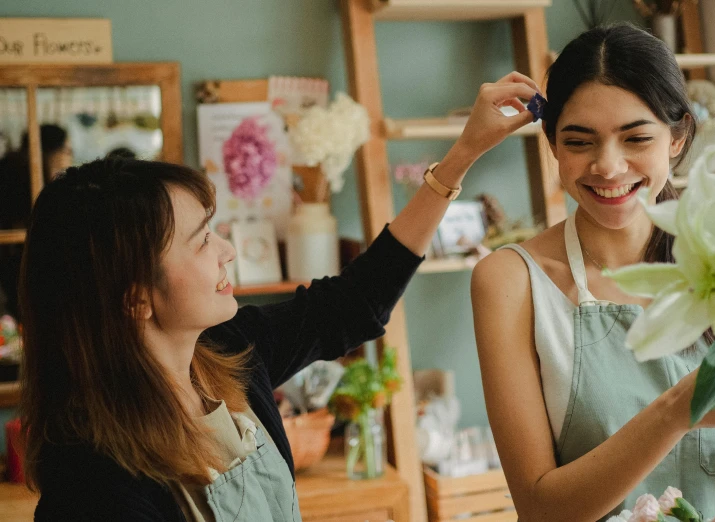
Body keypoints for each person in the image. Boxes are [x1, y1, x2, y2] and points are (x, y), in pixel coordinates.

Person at [19, 72, 539, 521]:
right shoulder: (90, 483)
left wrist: (463, 153)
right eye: (202, 241)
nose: (226, 251)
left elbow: (357, 301)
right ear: (135, 300)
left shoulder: (229, 352)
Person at [471, 24, 715, 521]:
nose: (609, 167)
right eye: (579, 141)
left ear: (678, 137)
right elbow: (540, 509)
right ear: (551, 144)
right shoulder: (511, 282)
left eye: (636, 137)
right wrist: (678, 410)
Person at [0, 124, 72, 317]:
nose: (70, 156)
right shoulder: (29, 184)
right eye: (66, 150)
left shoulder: (15, 173)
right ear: (50, 152)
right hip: (22, 268)